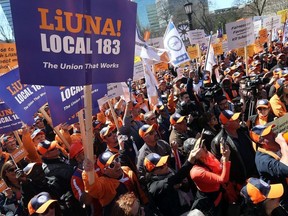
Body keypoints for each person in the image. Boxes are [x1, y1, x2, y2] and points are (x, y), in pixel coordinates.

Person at [82, 151, 149, 216]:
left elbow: (139, 190)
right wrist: (89, 172)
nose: (117, 164)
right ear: (104, 171)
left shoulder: (127, 170)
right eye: (112, 165)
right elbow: (93, 187)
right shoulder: (105, 184)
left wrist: (146, 203)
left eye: (117, 160)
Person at [144, 148, 201, 216]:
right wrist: (190, 161)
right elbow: (176, 178)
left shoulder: (170, 171)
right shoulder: (154, 187)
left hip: (186, 206)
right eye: (161, 166)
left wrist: (180, 185)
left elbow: (184, 185)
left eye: (164, 162)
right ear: (153, 172)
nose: (166, 166)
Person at [249, 125, 288, 214]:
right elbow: (286, 169)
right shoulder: (263, 160)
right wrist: (283, 144)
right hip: (281, 200)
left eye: (271, 131)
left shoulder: (275, 146)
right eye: (268, 133)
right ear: (261, 141)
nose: (273, 133)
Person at [190, 138, 231, 215]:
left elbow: (218, 168)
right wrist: (226, 159)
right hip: (211, 201)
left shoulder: (207, 154)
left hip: (219, 194)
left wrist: (222, 160)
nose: (205, 148)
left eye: (204, 145)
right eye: (201, 147)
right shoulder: (196, 172)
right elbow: (223, 179)